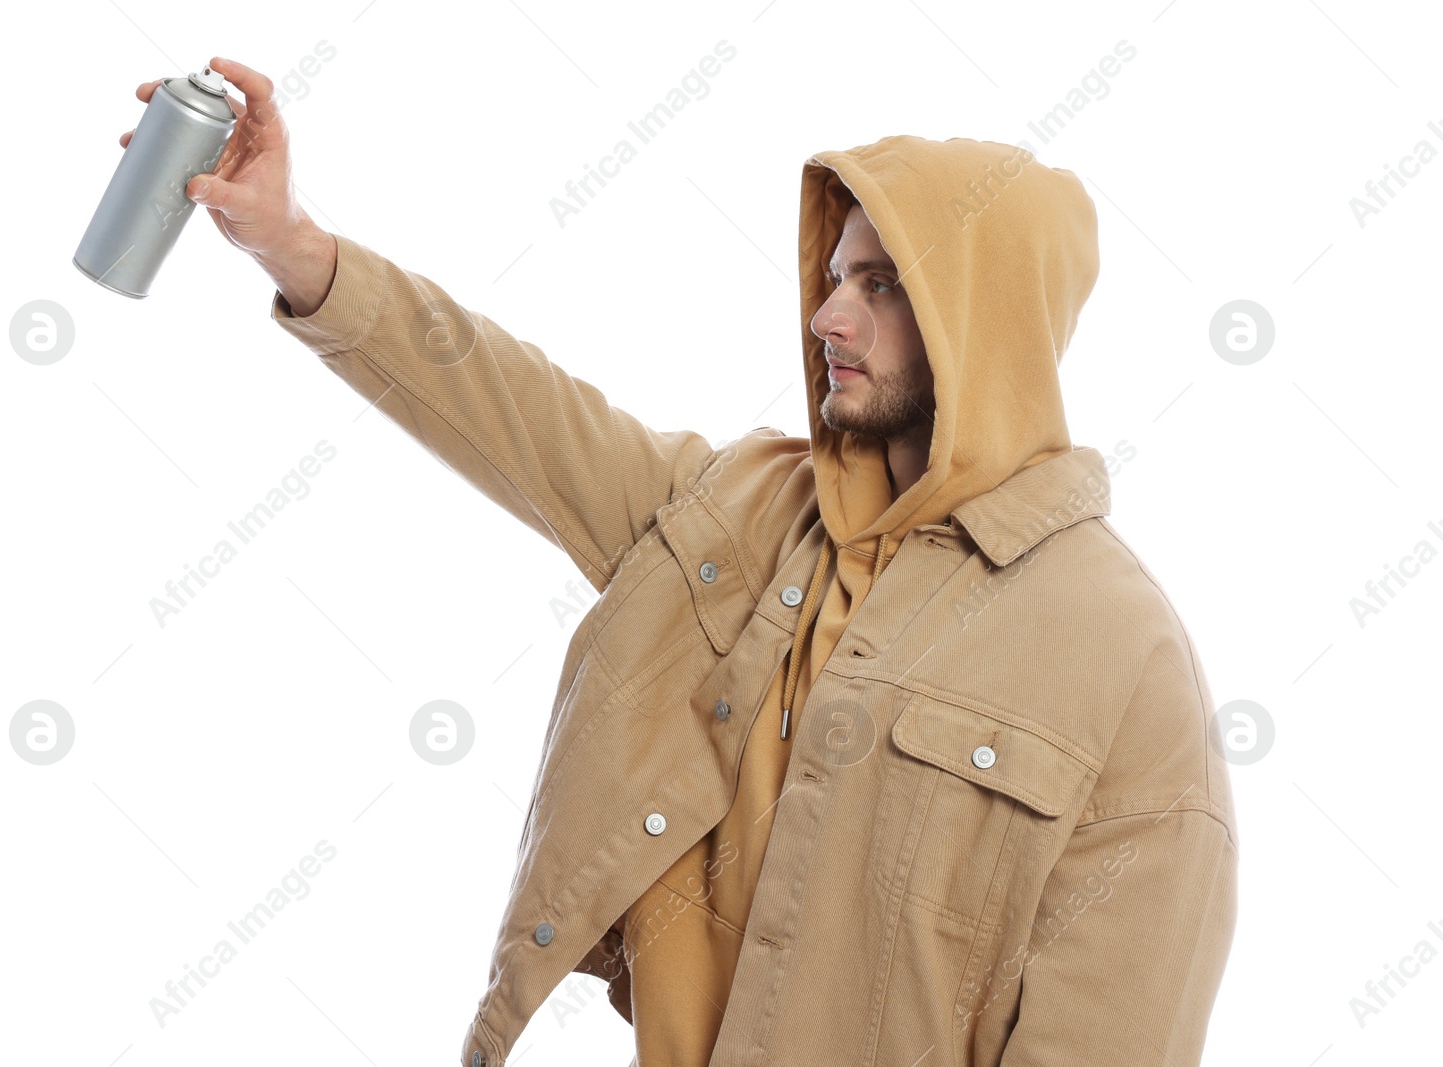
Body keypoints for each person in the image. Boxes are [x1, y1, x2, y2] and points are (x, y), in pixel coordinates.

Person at [127, 56, 1239, 1067]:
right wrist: (288, 239)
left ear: (984, 320)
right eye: (835, 276)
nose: (826, 316)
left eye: (881, 286)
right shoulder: (747, 509)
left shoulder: (1118, 651)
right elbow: (509, 408)